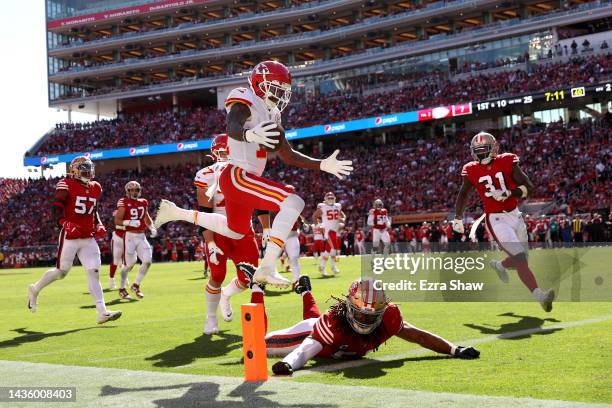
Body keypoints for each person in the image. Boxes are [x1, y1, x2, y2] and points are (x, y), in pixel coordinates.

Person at [154, 60, 353, 288]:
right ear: (261, 83)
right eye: (278, 88)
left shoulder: (273, 114)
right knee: (294, 202)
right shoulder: (244, 98)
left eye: (284, 90)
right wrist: (249, 135)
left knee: (235, 231)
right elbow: (232, 126)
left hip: (243, 180)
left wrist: (321, 165)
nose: (282, 94)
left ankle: (176, 212)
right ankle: (267, 267)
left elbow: (288, 155)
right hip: (238, 174)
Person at [268, 277, 480, 375]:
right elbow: (305, 350)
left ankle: (305, 291)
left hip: (328, 339)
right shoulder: (333, 321)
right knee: (262, 344)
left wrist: (454, 349)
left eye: (373, 316)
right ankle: (259, 287)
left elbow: (418, 336)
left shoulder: (389, 316)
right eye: (361, 314)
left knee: (312, 320)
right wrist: (288, 364)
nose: (367, 320)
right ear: (349, 307)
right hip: (309, 335)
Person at [453, 132, 555, 312]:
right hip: (496, 219)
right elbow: (464, 193)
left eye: (484, 150)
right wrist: (458, 217)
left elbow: (528, 188)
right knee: (520, 259)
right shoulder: (470, 169)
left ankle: (499, 265)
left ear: (493, 149)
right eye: (478, 151)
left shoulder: (507, 161)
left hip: (515, 215)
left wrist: (509, 193)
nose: (481, 154)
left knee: (521, 259)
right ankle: (540, 296)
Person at [27, 156, 121, 324]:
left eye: (89, 168)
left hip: (87, 236)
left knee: (94, 272)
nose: (88, 171)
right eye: (84, 168)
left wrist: (98, 224)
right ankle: (35, 289)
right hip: (70, 236)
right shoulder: (66, 184)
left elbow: (94, 210)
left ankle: (102, 312)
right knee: (61, 272)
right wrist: (65, 223)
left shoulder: (95, 187)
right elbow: (55, 210)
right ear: (74, 170)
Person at [193, 134, 268, 334]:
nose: (225, 155)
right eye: (220, 151)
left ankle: (226, 294)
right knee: (217, 274)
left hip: (243, 231)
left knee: (248, 278)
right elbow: (204, 212)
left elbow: (260, 203)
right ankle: (210, 319)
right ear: (214, 153)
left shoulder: (247, 171)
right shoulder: (206, 174)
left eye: (228, 150)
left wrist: (266, 229)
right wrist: (209, 243)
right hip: (218, 229)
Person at [115, 181, 157, 300]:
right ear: (127, 191)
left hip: (141, 236)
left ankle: (136, 285)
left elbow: (146, 217)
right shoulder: (123, 202)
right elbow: (117, 220)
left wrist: (151, 227)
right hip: (130, 237)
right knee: (129, 264)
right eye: (131, 190)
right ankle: (122, 288)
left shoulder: (143, 202)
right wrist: (129, 222)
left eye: (136, 190)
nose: (134, 192)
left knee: (148, 261)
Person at [312, 192, 345, 276]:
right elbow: (314, 216)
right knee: (333, 249)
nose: (330, 200)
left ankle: (322, 267)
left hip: (335, 230)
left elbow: (343, 215)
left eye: (331, 198)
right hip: (328, 231)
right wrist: (318, 225)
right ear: (325, 199)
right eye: (329, 198)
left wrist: (342, 219)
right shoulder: (323, 206)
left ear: (334, 198)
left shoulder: (337, 206)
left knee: (328, 250)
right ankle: (332, 267)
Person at [108, 209, 125, 289]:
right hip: (117, 238)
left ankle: (124, 278)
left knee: (126, 261)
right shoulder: (117, 213)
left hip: (127, 238)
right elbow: (112, 224)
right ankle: (111, 279)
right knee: (115, 261)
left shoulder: (130, 212)